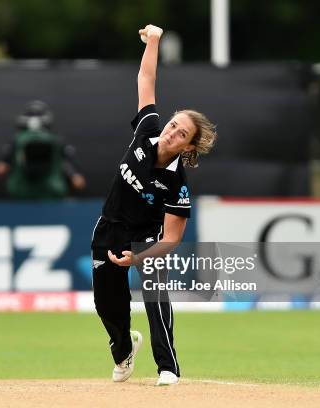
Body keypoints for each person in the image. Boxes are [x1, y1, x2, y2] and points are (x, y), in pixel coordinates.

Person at [91, 24, 217, 386]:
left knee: (155, 296)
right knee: (108, 306)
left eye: (181, 134)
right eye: (174, 124)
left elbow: (172, 238)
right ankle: (124, 349)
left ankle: (168, 367)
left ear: (189, 147)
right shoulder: (146, 129)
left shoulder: (177, 184)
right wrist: (155, 41)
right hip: (109, 227)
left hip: (148, 238)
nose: (172, 132)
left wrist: (139, 257)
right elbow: (146, 79)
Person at [0, 100, 86, 199]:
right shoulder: (17, 141)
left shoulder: (56, 141)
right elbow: (1, 167)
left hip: (51, 190)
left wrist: (74, 175)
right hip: (22, 191)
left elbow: (66, 163)